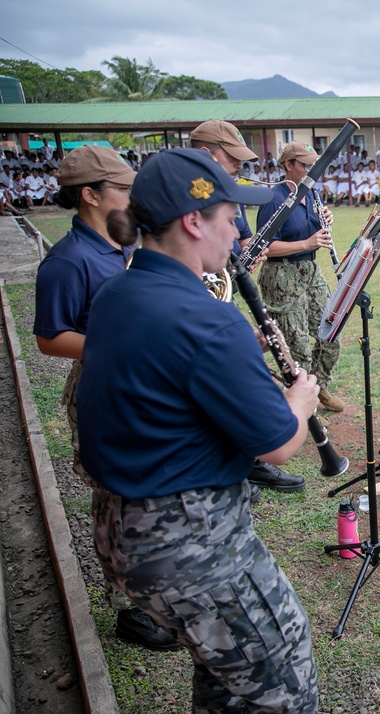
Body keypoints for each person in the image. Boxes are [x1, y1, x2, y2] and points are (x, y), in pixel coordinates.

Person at [78, 148, 319, 712]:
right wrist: (299, 402)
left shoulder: (119, 291)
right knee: (281, 677)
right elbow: (279, 443)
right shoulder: (205, 318)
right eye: (231, 218)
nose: (237, 232)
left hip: (123, 531)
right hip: (189, 542)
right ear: (193, 220)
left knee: (228, 680)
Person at [32, 145, 182, 652]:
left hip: (135, 383)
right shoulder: (68, 260)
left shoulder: (121, 246)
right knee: (115, 498)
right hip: (100, 387)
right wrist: (118, 343)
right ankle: (128, 611)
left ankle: (152, 592)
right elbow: (49, 338)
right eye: (122, 188)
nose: (132, 196)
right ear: (91, 195)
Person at [190, 119, 306, 494]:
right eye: (232, 157)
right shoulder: (191, 195)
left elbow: (243, 237)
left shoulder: (225, 192)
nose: (241, 165)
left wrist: (244, 253)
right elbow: (282, 443)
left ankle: (244, 462)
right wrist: (297, 405)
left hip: (219, 296)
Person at [256, 142, 345, 413]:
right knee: (298, 348)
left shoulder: (312, 193)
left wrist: (325, 220)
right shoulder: (274, 198)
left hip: (310, 271)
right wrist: (307, 243)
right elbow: (263, 246)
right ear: (288, 165)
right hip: (282, 275)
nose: (312, 170)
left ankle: (318, 388)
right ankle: (303, 406)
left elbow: (316, 233)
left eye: (314, 165)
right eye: (306, 165)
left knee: (330, 334)